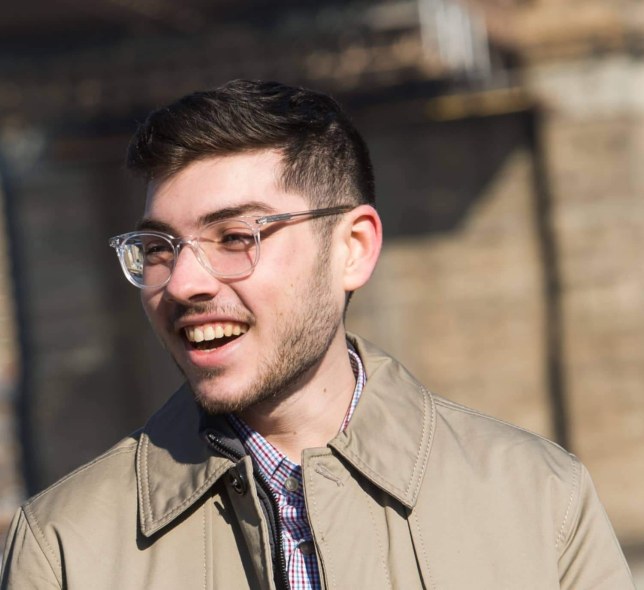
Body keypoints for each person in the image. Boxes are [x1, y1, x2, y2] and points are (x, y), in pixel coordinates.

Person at [0, 80, 635, 590]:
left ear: (351, 249)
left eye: (235, 237)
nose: (184, 281)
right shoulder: (62, 550)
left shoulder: (540, 498)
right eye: (159, 246)